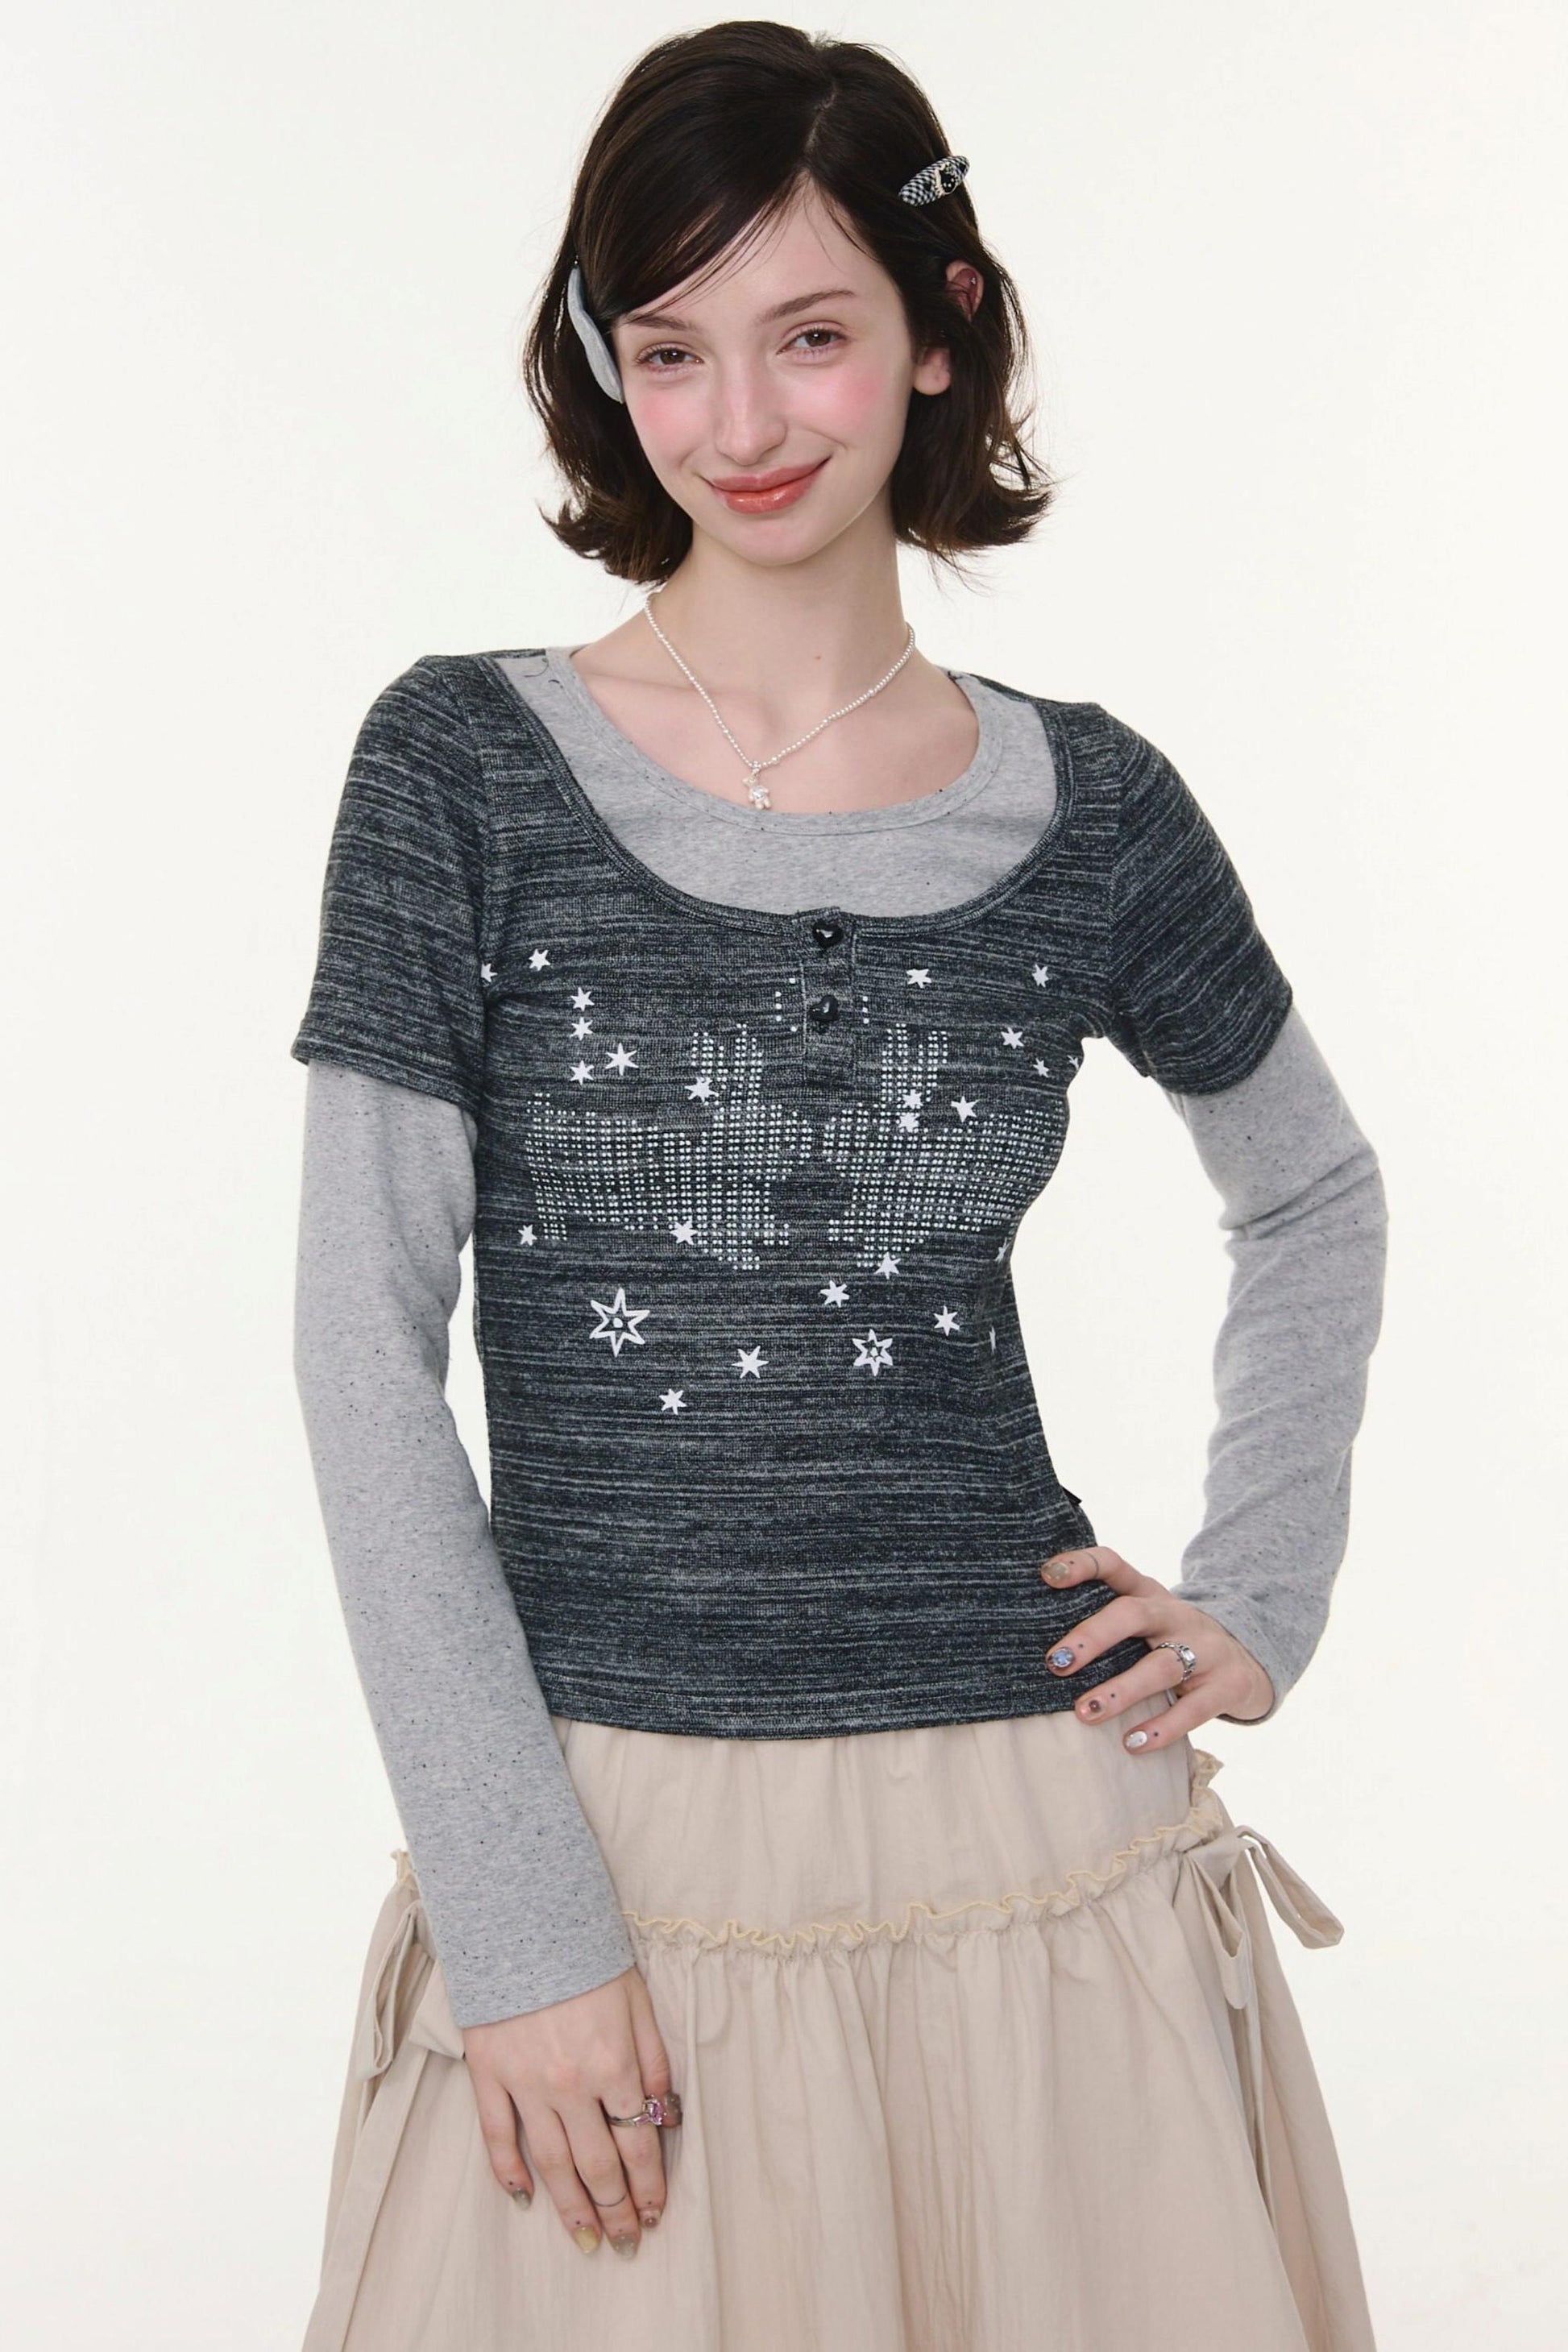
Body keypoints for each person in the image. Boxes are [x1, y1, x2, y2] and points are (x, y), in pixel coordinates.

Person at [288, 23, 1387, 2351]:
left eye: (809, 335)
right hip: (611, 1849)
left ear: (938, 327)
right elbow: (361, 1357)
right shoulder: (459, 767)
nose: (741, 421)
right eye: (669, 347)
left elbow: (1310, 1193)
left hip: (1036, 1836)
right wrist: (520, 1928)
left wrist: (1259, 1591)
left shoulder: (1091, 809)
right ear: (605, 365)